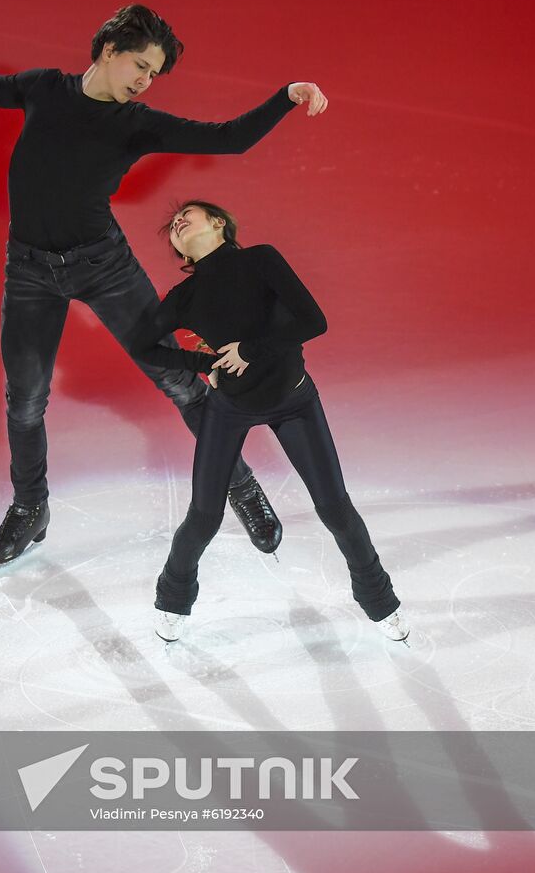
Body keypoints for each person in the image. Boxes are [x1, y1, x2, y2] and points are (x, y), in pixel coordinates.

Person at [0, 5, 328, 564]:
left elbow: (228, 140)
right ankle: (31, 506)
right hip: (30, 271)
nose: (144, 80)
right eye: (139, 64)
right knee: (25, 400)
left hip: (105, 267)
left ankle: (240, 486)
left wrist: (287, 95)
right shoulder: (43, 89)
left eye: (153, 74)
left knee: (179, 381)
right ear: (108, 51)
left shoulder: (137, 123)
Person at [127, 200, 410, 643]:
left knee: (335, 509)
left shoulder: (260, 260)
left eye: (188, 215)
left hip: (293, 401)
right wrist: (204, 363)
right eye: (174, 227)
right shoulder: (184, 297)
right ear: (181, 252)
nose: (178, 223)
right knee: (203, 517)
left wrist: (248, 350)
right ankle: (172, 602)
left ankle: (381, 603)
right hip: (230, 408)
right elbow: (142, 344)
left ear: (219, 223)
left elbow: (313, 321)